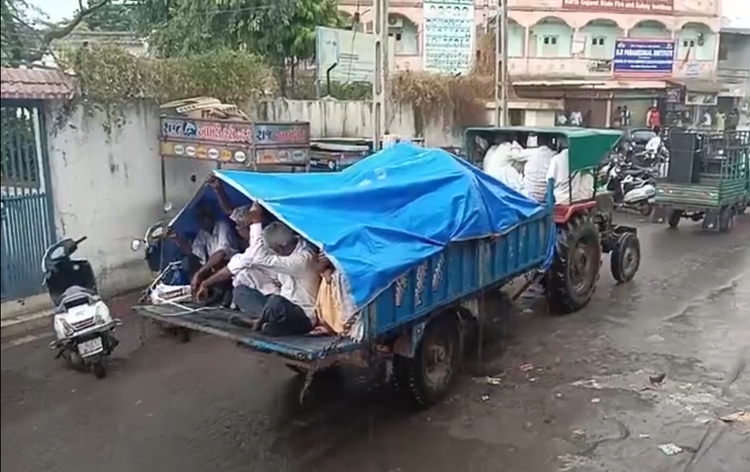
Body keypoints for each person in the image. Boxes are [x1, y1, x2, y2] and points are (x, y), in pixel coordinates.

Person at [196, 208, 320, 336]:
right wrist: (205, 283)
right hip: (279, 305)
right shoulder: (288, 244)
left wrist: (256, 221)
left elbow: (258, 256)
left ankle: (259, 322)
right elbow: (239, 263)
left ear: (279, 247)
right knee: (241, 292)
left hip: (302, 314)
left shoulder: (302, 259)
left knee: (276, 302)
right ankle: (268, 324)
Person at [169, 203, 237, 289]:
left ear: (211, 216)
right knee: (188, 261)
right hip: (213, 267)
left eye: (204, 217)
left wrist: (199, 272)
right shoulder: (203, 232)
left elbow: (221, 253)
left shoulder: (222, 225)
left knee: (211, 269)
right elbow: (193, 252)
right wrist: (177, 239)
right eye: (199, 218)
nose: (202, 221)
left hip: (229, 265)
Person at [545, 138, 595, 204]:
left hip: (560, 198)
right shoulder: (579, 158)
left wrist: (549, 204)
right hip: (573, 197)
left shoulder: (556, 159)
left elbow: (550, 180)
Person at [521, 134, 556, 202]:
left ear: (537, 142)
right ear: (550, 142)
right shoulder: (554, 155)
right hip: (545, 194)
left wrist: (514, 145)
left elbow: (515, 154)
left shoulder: (531, 152)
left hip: (528, 192)